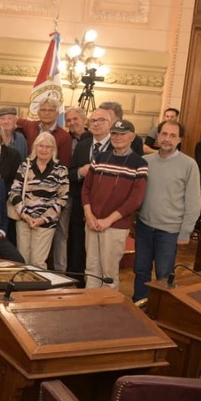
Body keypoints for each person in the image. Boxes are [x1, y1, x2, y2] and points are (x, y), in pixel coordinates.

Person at [133, 121, 201, 302]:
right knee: (140, 270)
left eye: (172, 136)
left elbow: (194, 201)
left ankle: (160, 310)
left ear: (179, 140)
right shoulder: (146, 161)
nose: (167, 139)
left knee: (164, 274)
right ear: (158, 136)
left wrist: (186, 231)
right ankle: (139, 305)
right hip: (144, 226)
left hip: (170, 231)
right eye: (164, 134)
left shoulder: (189, 165)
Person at [82, 120, 148, 289]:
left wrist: (108, 220)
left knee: (109, 274)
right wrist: (89, 216)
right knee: (91, 270)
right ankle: (90, 302)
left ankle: (108, 305)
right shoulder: (100, 158)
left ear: (132, 136)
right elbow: (86, 189)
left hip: (115, 226)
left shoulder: (139, 163)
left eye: (122, 134)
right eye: (114, 133)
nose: (117, 137)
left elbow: (135, 200)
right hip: (92, 223)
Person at [8, 132, 69, 269]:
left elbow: (62, 198)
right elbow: (14, 191)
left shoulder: (61, 170)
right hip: (24, 220)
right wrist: (24, 215)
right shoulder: (26, 166)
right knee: (22, 260)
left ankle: (37, 284)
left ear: (53, 149)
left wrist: (43, 219)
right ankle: (22, 283)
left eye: (48, 147)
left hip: (46, 223)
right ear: (35, 147)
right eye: (41, 146)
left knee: (38, 262)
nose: (44, 149)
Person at [67, 108, 113, 276]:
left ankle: (99, 286)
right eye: (93, 121)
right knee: (77, 250)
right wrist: (80, 172)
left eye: (101, 120)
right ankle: (77, 284)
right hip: (80, 207)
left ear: (110, 124)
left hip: (106, 209)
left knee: (102, 257)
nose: (97, 124)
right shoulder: (82, 145)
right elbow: (70, 173)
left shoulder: (117, 146)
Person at [53, 105, 89, 271]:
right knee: (66, 233)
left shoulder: (93, 139)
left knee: (80, 236)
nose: (72, 123)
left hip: (85, 193)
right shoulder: (66, 139)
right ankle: (65, 269)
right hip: (67, 191)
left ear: (84, 120)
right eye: (68, 120)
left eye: (75, 119)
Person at [14, 96, 72, 168]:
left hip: (52, 173)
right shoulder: (30, 126)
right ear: (38, 113)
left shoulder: (65, 137)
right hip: (28, 171)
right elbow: (14, 119)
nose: (46, 113)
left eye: (51, 110)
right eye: (43, 110)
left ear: (57, 113)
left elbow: (64, 165)